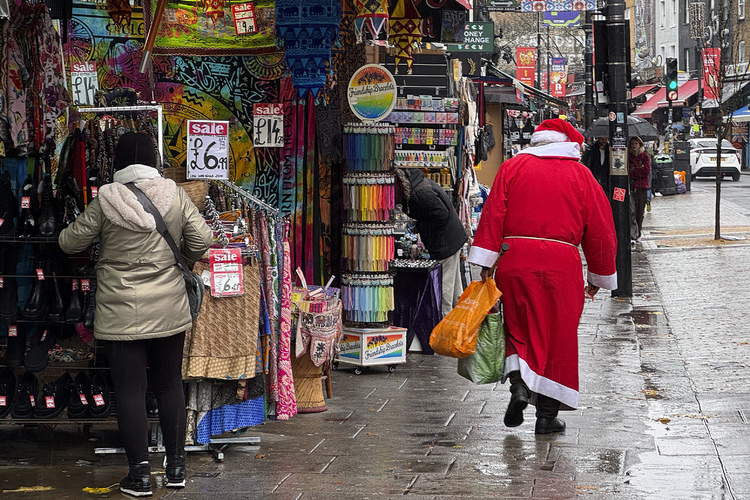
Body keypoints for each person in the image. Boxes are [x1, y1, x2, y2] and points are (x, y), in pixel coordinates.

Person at [59, 132, 212, 497]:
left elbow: (68, 242)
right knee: (169, 385)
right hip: (169, 308)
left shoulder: (105, 200)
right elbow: (203, 239)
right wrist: (182, 260)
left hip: (120, 310)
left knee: (129, 391)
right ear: (154, 159)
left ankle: (139, 478)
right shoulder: (174, 193)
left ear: (119, 162)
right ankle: (176, 469)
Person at [468, 119, 617, 435]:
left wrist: (486, 261)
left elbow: (493, 214)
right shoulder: (582, 176)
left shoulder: (512, 167)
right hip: (562, 266)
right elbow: (602, 230)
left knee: (519, 328)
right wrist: (599, 275)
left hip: (515, 260)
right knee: (558, 338)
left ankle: (519, 385)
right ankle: (547, 417)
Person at [395, 168, 468, 317]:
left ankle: (444, 323)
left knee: (444, 287)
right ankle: (458, 322)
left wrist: (421, 225)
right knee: (454, 287)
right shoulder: (418, 186)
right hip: (451, 239)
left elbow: (441, 214)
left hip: (445, 243)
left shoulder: (420, 194)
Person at [628, 136, 651, 244]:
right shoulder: (627, 157)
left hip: (641, 187)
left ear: (640, 144)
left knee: (639, 212)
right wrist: (637, 171)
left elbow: (646, 171)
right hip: (631, 187)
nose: (634, 146)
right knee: (631, 210)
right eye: (632, 144)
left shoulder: (645, 156)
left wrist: (634, 170)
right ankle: (633, 234)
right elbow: (627, 172)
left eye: (636, 143)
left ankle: (639, 232)